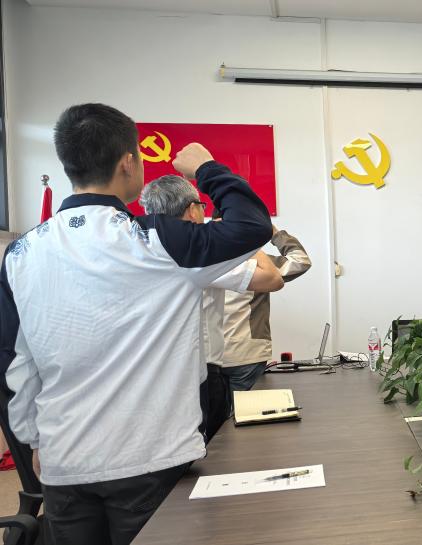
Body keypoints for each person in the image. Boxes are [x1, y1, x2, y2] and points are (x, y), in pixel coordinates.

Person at [0, 103, 272, 544]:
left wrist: (33, 439)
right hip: (151, 460)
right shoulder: (158, 241)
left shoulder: (21, 253)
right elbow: (252, 225)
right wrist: (207, 168)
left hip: (64, 461)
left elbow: (16, 361)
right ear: (128, 162)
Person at [139, 175, 284, 441]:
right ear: (193, 210)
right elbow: (272, 279)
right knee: (214, 449)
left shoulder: (137, 249)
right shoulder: (196, 252)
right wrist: (241, 243)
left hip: (150, 374)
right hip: (200, 372)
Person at [220, 226, 311, 392]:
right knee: (247, 407)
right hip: (248, 353)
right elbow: (301, 260)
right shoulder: (259, 265)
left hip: (208, 356)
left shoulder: (197, 263)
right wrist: (273, 233)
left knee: (214, 408)